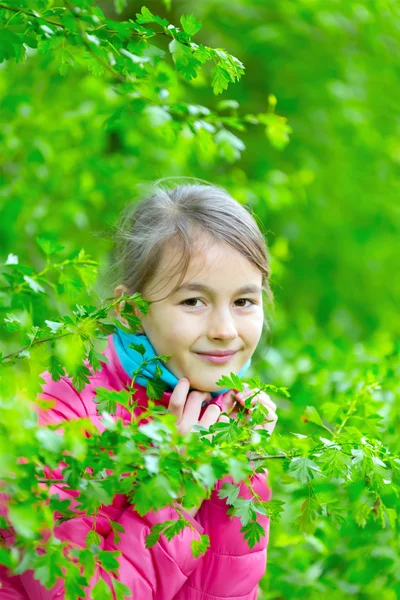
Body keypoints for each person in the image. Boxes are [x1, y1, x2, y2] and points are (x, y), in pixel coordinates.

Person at [0, 180, 278, 600]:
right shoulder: (60, 423)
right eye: (193, 302)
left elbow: (220, 590)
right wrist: (176, 481)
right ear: (131, 311)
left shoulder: (220, 420)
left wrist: (235, 470)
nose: (225, 331)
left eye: (243, 302)